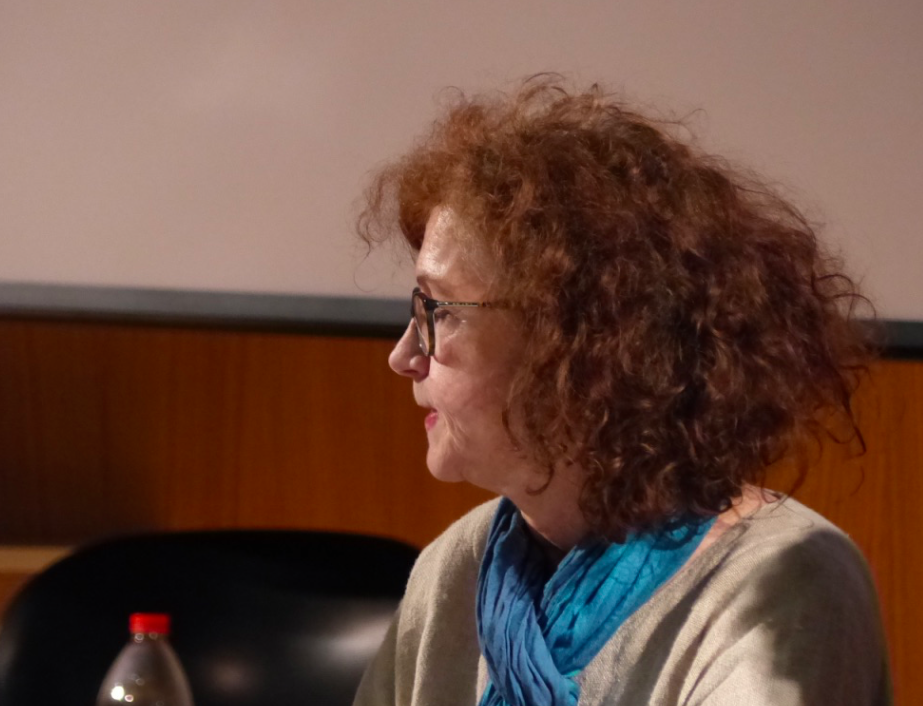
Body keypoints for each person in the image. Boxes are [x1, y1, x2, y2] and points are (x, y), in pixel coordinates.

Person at [352, 77, 891, 706]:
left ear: (579, 342)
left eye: (438, 310)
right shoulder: (456, 567)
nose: (402, 357)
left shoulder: (786, 583)